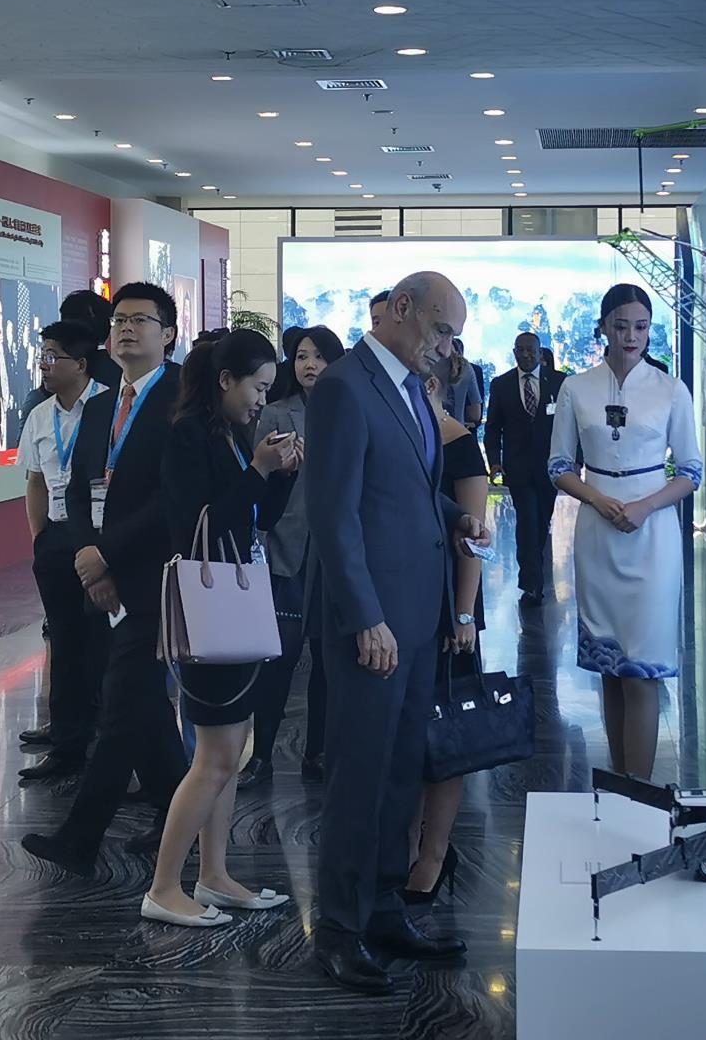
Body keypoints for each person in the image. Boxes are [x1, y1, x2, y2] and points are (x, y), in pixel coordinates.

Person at [304, 272, 489, 994]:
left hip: (417, 617)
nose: (446, 348)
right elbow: (334, 515)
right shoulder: (344, 388)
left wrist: (457, 518)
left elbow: (408, 490)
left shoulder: (413, 388)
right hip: (373, 624)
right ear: (403, 309)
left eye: (454, 338)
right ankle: (339, 927)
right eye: (441, 331)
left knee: (399, 774)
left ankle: (383, 908)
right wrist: (365, 617)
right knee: (358, 775)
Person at [20, 282, 186, 878]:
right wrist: (89, 553)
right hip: (102, 569)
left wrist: (106, 554)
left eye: (141, 320)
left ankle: (81, 837)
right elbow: (78, 488)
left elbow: (173, 497)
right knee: (141, 702)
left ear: (168, 334)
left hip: (156, 572)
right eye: (119, 320)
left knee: (121, 702)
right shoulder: (99, 406)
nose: (127, 329)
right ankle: (178, 810)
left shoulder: (181, 399)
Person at [144, 330, 301, 926]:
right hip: (208, 610)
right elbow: (198, 528)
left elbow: (258, 517)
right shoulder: (188, 435)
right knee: (213, 757)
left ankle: (213, 874)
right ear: (225, 380)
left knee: (229, 754)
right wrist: (258, 469)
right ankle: (164, 886)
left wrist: (281, 473)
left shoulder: (227, 436)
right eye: (257, 387)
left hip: (230, 607)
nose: (262, 400)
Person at [549, 284, 702, 780]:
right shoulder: (577, 387)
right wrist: (597, 499)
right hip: (597, 531)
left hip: (652, 536)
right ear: (603, 328)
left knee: (642, 672)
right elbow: (558, 466)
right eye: (621, 326)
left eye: (641, 326)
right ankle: (619, 786)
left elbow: (691, 471)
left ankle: (639, 793)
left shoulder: (671, 389)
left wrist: (644, 506)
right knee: (610, 671)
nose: (631, 335)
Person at [246, 325, 345, 786]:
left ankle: (319, 751)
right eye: (303, 356)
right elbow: (258, 480)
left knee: (327, 661)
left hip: (334, 553)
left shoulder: (349, 411)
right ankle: (261, 755)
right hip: (286, 549)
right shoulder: (275, 412)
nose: (310, 365)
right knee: (278, 658)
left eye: (319, 357)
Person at [405, 371, 489, 904]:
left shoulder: (460, 445)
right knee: (412, 731)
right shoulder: (405, 439)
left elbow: (474, 536)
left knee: (448, 732)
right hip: (406, 598)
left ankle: (435, 851)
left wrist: (463, 613)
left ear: (433, 388)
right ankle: (409, 844)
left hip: (449, 602)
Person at [17, 321, 108, 783]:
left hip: (100, 539)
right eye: (43, 357)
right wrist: (40, 539)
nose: (45, 365)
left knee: (102, 643)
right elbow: (35, 480)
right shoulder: (39, 414)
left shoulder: (109, 406)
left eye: (53, 357)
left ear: (82, 364)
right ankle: (67, 742)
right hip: (56, 539)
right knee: (65, 643)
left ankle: (106, 741)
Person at [484, 331, 564, 606]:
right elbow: (493, 428)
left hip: (550, 467)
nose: (526, 354)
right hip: (518, 468)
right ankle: (531, 583)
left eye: (531, 350)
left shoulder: (559, 382)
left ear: (540, 353)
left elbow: (571, 423)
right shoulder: (501, 384)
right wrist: (495, 462)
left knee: (542, 521)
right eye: (521, 350)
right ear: (514, 352)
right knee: (527, 521)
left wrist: (575, 459)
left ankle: (535, 570)